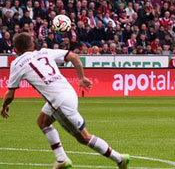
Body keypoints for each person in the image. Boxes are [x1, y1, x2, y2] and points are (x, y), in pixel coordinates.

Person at [1, 33, 130, 169]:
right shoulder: (44, 52)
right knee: (42, 122)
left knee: (84, 137)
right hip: (69, 92)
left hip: (59, 102)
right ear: (33, 45)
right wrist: (81, 78)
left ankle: (120, 159)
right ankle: (61, 159)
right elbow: (74, 57)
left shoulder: (16, 64)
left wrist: (4, 106)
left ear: (15, 50)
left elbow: (10, 93)